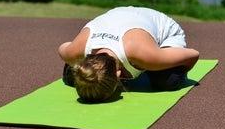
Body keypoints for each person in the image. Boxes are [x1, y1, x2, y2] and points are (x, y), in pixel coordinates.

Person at [58, 6, 200, 103]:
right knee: (75, 76)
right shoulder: (74, 52)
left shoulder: (144, 54)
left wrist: (159, 65)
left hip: (162, 29)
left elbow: (193, 55)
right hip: (119, 16)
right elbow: (62, 47)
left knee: (167, 80)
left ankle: (159, 70)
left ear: (119, 76)